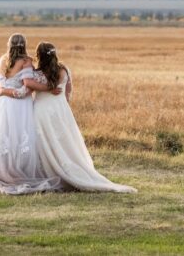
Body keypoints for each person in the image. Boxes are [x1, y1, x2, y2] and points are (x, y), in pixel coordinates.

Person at [27, 42, 136, 193]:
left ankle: (45, 172)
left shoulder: (36, 73)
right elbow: (68, 92)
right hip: (60, 111)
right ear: (54, 54)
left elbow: (28, 89)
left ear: (39, 55)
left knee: (42, 142)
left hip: (41, 111)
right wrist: (62, 106)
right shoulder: (64, 70)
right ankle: (68, 168)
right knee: (64, 142)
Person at [0, 33, 62, 194]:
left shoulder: (2, 60)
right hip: (20, 107)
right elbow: (27, 87)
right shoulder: (26, 61)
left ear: (9, 45)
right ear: (24, 45)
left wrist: (4, 91)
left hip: (2, 105)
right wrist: (49, 88)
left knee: (0, 136)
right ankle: (19, 172)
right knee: (20, 137)